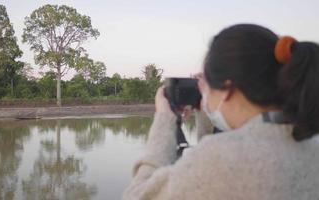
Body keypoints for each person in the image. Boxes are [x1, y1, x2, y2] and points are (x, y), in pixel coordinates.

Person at [123, 24, 319, 200]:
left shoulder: (219, 159)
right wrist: (205, 114)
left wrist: (163, 120)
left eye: (207, 87)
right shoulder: (311, 142)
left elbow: (138, 196)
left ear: (226, 89)